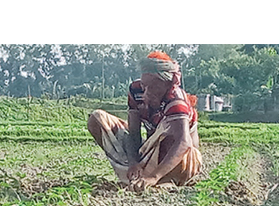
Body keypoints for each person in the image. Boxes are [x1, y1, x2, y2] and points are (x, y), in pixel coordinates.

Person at [87, 51, 203, 192]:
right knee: (97, 119)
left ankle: (158, 178)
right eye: (144, 85)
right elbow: (133, 133)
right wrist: (133, 163)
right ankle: (136, 174)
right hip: (149, 153)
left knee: (168, 128)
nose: (146, 92)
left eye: (153, 87)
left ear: (166, 84)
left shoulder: (176, 100)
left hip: (181, 162)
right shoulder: (136, 90)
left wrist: (154, 177)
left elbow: (183, 142)